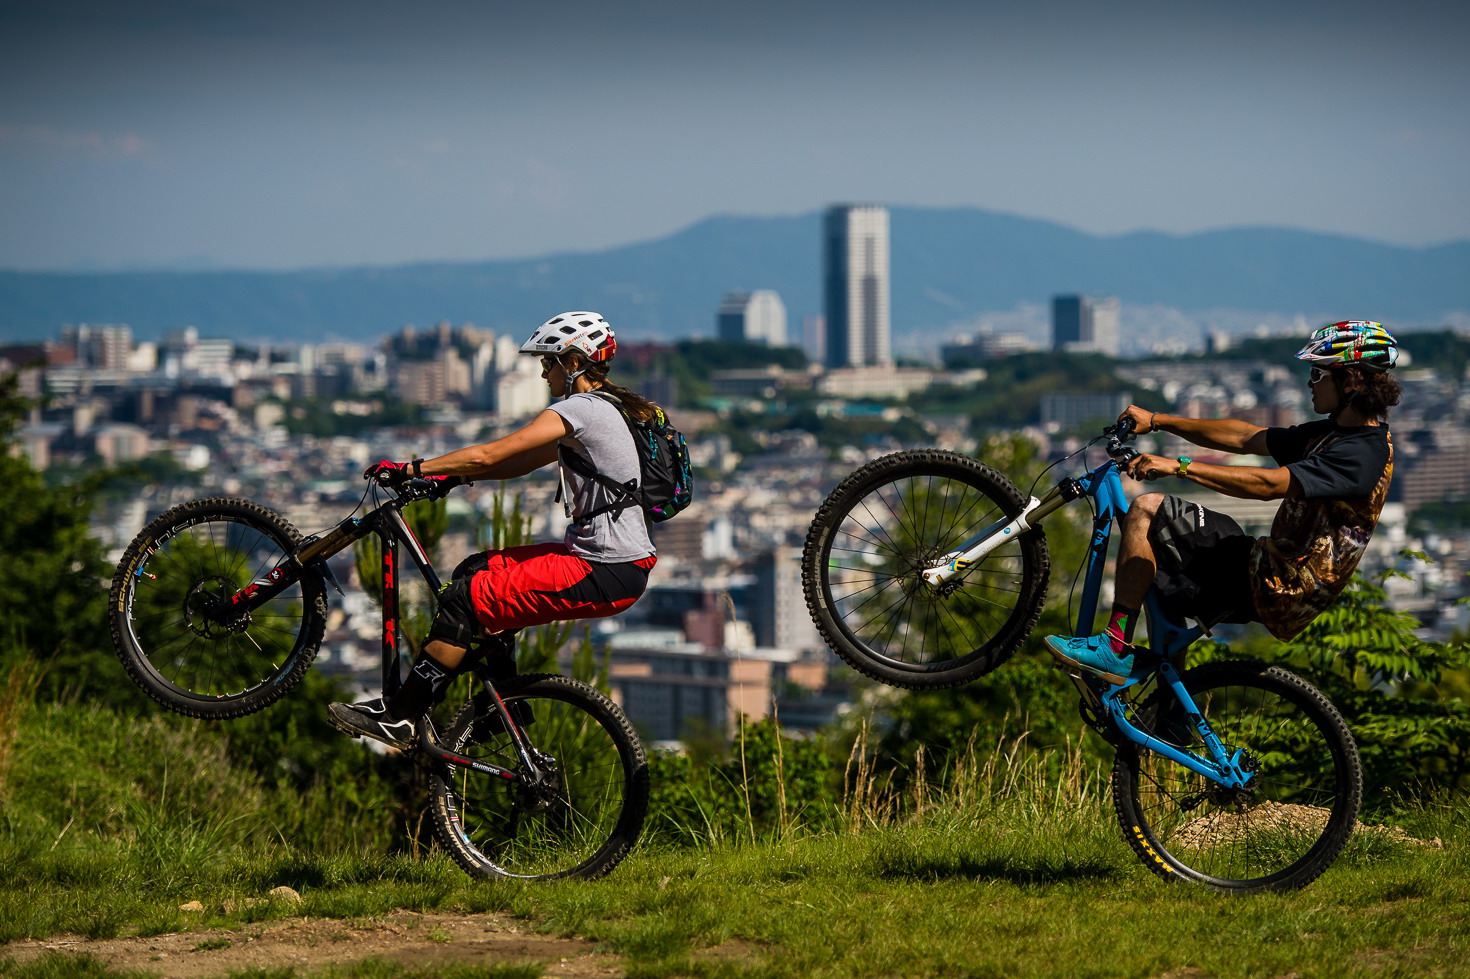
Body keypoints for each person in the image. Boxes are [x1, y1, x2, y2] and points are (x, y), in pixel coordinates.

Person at [328, 311, 660, 747]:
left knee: (464, 602)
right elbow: (519, 462)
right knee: (474, 569)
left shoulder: (580, 409)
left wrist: (413, 468)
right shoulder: (609, 409)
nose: (544, 371)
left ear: (573, 362)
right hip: (608, 562)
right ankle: (505, 706)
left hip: (604, 569)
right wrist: (452, 478)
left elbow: (490, 454)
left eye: (549, 361)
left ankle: (402, 717)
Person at [1045, 320, 1401, 684]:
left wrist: (1179, 466)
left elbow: (1268, 484)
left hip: (1275, 581)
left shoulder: (1362, 452)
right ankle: (1169, 712)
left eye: (1316, 373)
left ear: (1350, 378)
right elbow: (1247, 438)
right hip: (1266, 567)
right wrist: (1157, 421)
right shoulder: (1333, 433)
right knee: (1151, 565)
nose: (1309, 383)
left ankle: (1115, 647)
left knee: (1147, 509)